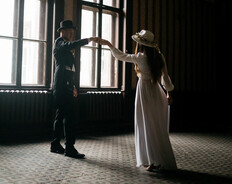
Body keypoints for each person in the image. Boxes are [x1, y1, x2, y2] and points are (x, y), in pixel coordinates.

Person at [99, 30, 177, 171]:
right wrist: (168, 93)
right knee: (157, 127)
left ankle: (152, 160)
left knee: (146, 125)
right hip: (157, 92)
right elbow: (165, 77)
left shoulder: (140, 57)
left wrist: (109, 45)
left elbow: (121, 56)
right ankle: (158, 158)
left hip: (144, 93)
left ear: (141, 45)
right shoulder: (160, 57)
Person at [50, 20, 99, 158]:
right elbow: (70, 45)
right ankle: (69, 148)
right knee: (69, 118)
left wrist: (73, 86)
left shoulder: (64, 46)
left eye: (73, 30)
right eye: (69, 30)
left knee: (61, 117)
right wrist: (88, 40)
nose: (72, 33)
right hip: (61, 86)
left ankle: (55, 145)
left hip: (65, 86)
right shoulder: (60, 42)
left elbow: (69, 69)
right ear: (62, 31)